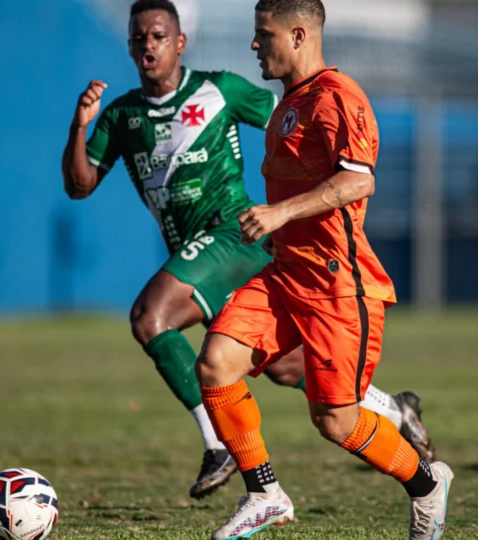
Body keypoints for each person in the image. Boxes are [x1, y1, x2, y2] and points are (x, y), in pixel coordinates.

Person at [60, 0, 434, 501]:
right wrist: (78, 126)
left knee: (151, 317)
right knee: (283, 368)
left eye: (158, 36)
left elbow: (302, 126)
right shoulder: (122, 115)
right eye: (137, 38)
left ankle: (219, 445)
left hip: (232, 233)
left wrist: (290, 209)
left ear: (179, 43)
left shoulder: (223, 90)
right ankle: (392, 409)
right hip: (222, 250)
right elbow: (79, 185)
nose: (147, 46)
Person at [194, 1, 454, 538]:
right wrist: (277, 226)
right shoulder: (288, 104)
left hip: (338, 285)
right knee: (216, 363)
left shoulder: (337, 96)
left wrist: (280, 213)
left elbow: (359, 180)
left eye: (263, 34)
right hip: (286, 274)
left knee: (335, 421)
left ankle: (427, 484)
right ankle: (265, 494)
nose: (254, 45)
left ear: (297, 35)